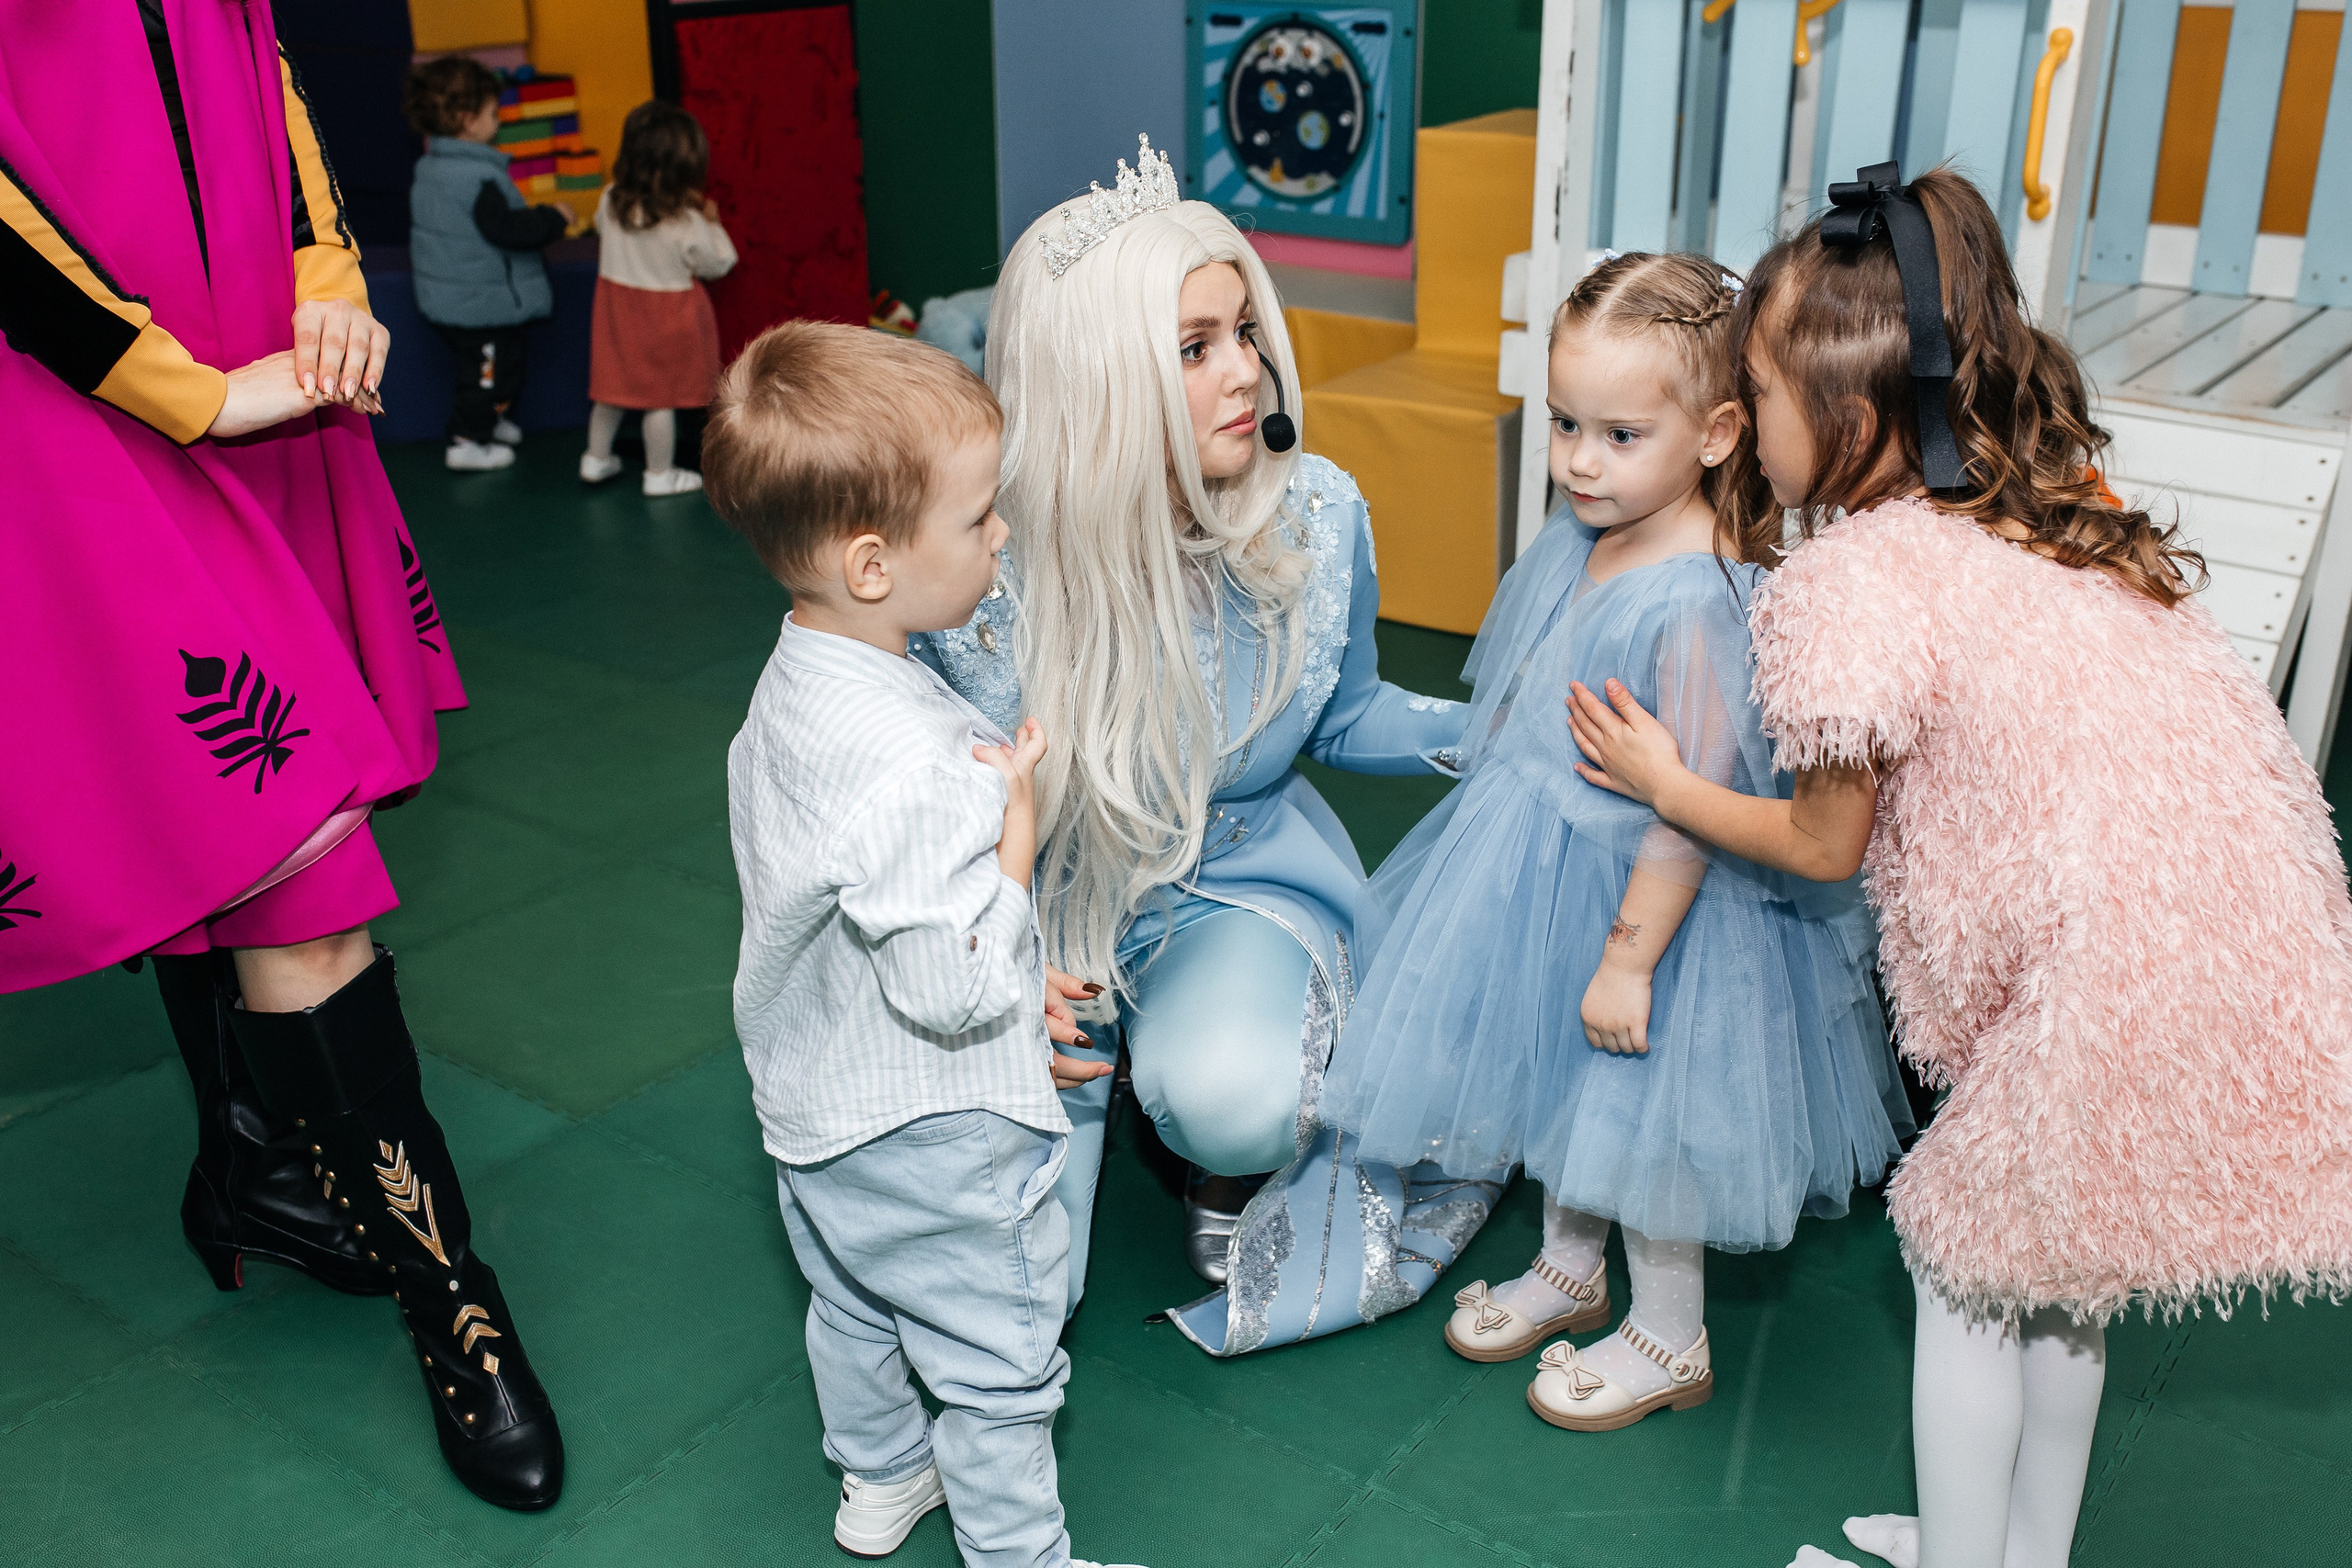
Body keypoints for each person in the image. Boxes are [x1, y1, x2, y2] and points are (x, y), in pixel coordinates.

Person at [1563, 167, 2352, 1566]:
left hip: (2112, 963)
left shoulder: (1853, 580)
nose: (1747, 414)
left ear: (1849, 416)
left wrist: (1668, 783)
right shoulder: (2048, 495)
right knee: (2061, 1274)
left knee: (1968, 1270)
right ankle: (2016, 1547)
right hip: (2245, 929)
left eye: (1761, 383)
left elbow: (1821, 841)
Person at [0, 2, 560, 1510]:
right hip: (77, 399)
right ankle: (459, 1309)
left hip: (262, 346)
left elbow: (261, 58)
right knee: (297, 858)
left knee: (214, 827)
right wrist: (185, 388)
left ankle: (253, 1159)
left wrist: (325, 275)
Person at [1323, 252, 1909, 1430]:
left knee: (1646, 1125)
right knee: (1559, 1079)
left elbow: (1686, 807)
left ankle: (1670, 1332)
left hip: (1659, 908)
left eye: (1619, 434)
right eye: (1563, 424)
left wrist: (1631, 957)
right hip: (1546, 866)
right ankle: (1568, 1263)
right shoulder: (1585, 535)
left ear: (1714, 433)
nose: (1581, 461)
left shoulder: (1697, 597)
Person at [916, 137, 1484, 1353]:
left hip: (1230, 882)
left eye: (1245, 331)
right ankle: (1104, 1082)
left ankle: (1217, 1155)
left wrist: (1496, 735)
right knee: (1009, 1298)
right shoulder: (979, 558)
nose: (1246, 370)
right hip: (1032, 906)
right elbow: (917, 805)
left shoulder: (1316, 509)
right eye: (1194, 346)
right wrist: (991, 957)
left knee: (1235, 1095)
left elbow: (1346, 712)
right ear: (1097, 378)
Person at [704, 321, 1142, 1568]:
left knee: (853, 1298)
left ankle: (883, 1477)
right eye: (976, 517)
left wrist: (1000, 942)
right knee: (998, 1353)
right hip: (935, 1128)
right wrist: (1015, 831)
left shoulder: (794, 681)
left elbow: (834, 898)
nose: (999, 534)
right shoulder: (923, 762)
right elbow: (949, 984)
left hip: (813, 1102)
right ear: (874, 562)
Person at [402, 54, 569, 472]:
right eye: (492, 114)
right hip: (479, 305)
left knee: (495, 366)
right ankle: (467, 440)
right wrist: (554, 217)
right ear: (465, 120)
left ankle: (488, 421)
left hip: (457, 296)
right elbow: (509, 229)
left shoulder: (431, 166)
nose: (498, 122)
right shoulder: (477, 177)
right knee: (487, 374)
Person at [581, 100, 737, 497]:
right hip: (667, 319)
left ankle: (595, 459)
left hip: (617, 313)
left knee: (610, 391)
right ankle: (659, 473)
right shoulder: (686, 221)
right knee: (659, 399)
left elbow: (602, 228)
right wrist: (714, 225)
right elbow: (719, 263)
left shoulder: (610, 198)